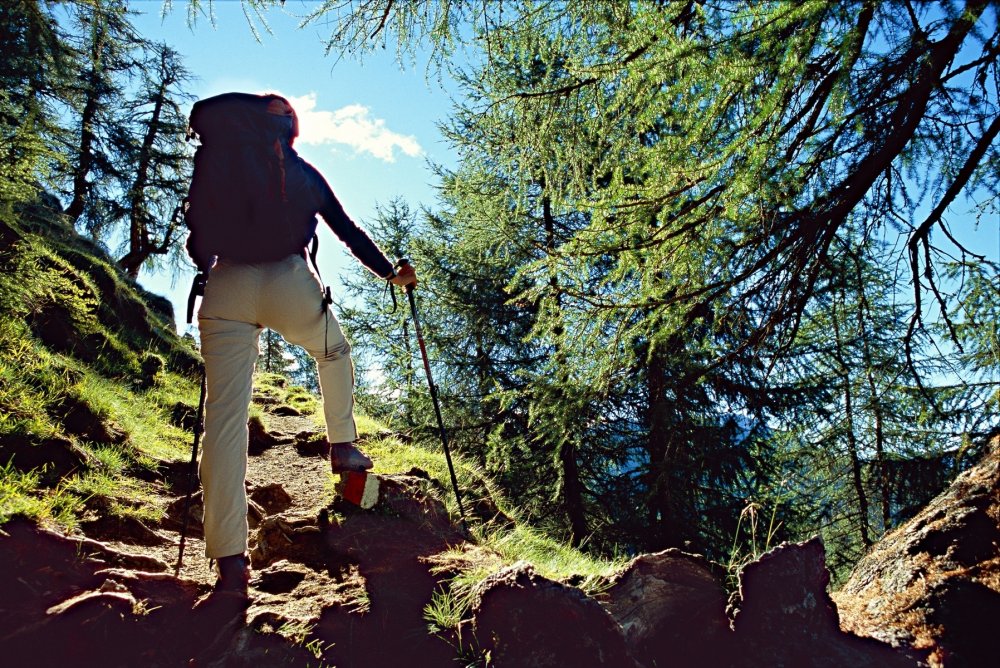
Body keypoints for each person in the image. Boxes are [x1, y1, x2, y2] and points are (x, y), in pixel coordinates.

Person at [188, 94, 416, 594]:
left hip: (226, 282)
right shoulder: (303, 173)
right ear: (291, 130)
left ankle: (230, 566)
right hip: (290, 279)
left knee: (224, 421)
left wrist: (210, 265)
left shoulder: (219, 158)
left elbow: (197, 229)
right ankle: (343, 447)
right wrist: (390, 274)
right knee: (333, 351)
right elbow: (346, 231)